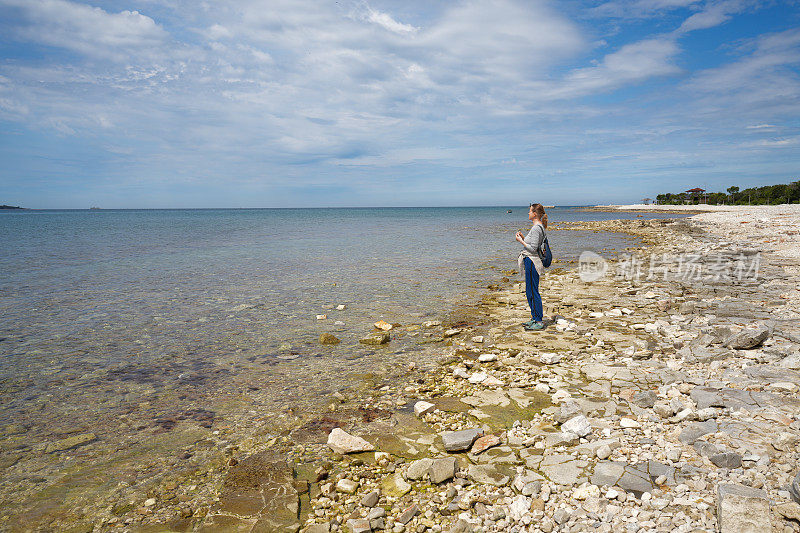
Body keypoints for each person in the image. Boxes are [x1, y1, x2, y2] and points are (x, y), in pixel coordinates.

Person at [515, 203, 548, 331]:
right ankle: (534, 317)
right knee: (530, 291)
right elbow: (533, 243)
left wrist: (520, 241)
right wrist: (524, 238)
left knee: (533, 291)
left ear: (535, 214)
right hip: (531, 261)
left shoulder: (536, 228)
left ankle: (538, 321)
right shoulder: (537, 227)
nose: (528, 213)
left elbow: (533, 248)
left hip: (532, 261)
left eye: (529, 211)